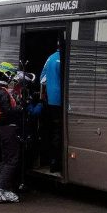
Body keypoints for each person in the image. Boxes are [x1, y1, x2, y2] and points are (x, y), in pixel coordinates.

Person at [0, 62, 23, 203]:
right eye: (11, 75)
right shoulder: (1, 91)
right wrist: (20, 107)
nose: (11, 79)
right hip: (6, 128)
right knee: (11, 159)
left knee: (6, 159)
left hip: (1, 128)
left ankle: (1, 188)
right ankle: (0, 189)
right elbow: (7, 111)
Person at [40, 43, 63, 172]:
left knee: (52, 130)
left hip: (50, 100)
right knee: (59, 133)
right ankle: (56, 163)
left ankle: (51, 162)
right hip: (61, 102)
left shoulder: (50, 58)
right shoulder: (65, 59)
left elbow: (42, 79)